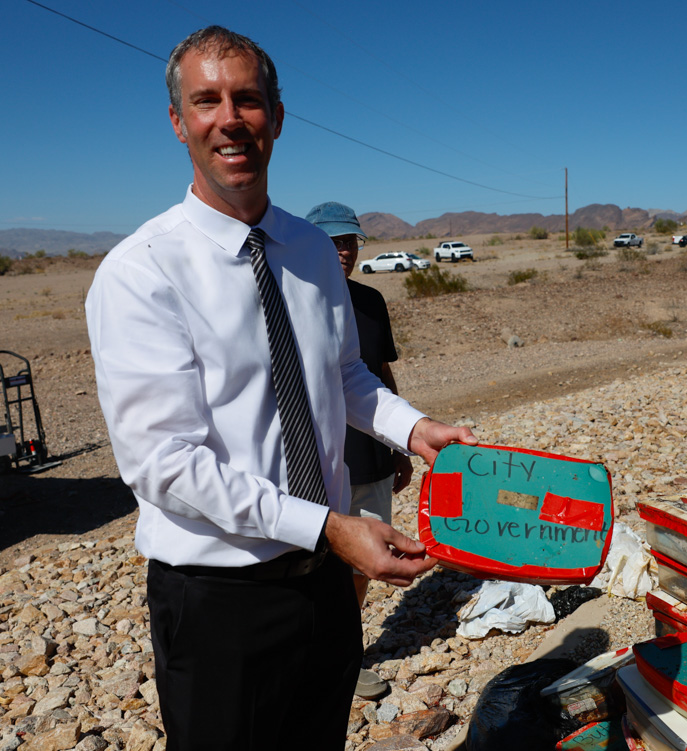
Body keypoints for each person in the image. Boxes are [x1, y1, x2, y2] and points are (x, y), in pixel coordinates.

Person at [85, 26, 477, 750]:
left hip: (327, 578)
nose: (229, 119)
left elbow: (340, 375)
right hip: (220, 599)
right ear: (179, 122)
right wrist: (330, 525)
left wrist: (413, 428)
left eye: (248, 99)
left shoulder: (308, 250)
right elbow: (164, 464)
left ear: (277, 116)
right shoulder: (142, 272)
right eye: (206, 101)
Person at [305, 200, 413, 698]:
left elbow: (378, 375)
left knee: (364, 558)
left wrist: (400, 443)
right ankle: (310, 653)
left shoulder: (370, 302)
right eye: (331, 241)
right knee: (313, 557)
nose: (342, 251)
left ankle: (347, 654)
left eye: (348, 241)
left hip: (369, 450)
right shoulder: (293, 301)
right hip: (316, 460)